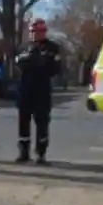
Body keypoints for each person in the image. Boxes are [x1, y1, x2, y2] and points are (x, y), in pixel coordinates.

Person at [14, 18, 61, 164]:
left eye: (40, 31)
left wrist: (41, 60)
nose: (36, 34)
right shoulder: (23, 47)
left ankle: (41, 153)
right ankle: (23, 153)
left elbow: (54, 68)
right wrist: (30, 57)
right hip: (25, 90)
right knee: (23, 122)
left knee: (42, 123)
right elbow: (19, 64)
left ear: (44, 32)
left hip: (42, 90)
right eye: (33, 31)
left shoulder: (53, 47)